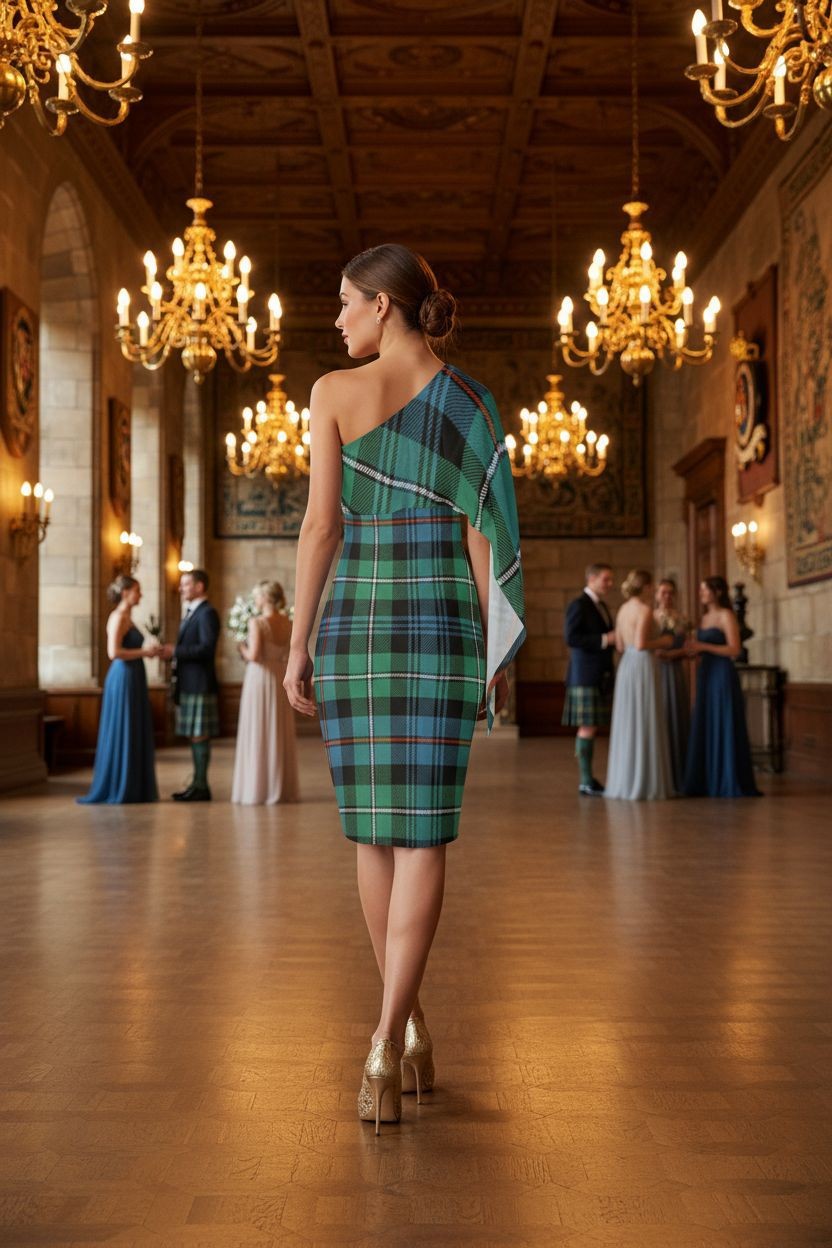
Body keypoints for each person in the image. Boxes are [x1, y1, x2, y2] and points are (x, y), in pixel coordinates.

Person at [283, 243, 525, 1134]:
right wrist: (495, 649)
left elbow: (319, 529)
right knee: (422, 834)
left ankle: (394, 1028)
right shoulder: (472, 402)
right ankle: (396, 1032)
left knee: (375, 835)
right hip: (442, 625)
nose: (337, 319)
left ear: (385, 306)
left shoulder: (330, 395)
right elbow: (483, 539)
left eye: (347, 302)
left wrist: (299, 643)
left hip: (357, 625)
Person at [78, 576, 160, 804]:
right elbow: (113, 652)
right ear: (125, 592)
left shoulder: (129, 618)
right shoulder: (117, 617)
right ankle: (120, 785)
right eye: (137, 590)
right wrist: (146, 653)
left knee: (133, 726)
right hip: (123, 675)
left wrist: (149, 651)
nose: (140, 595)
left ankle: (135, 785)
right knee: (124, 726)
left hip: (134, 674)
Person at [683, 576, 761, 798]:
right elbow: (702, 646)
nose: (701, 594)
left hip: (722, 674)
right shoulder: (704, 617)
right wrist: (693, 650)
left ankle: (727, 779)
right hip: (705, 672)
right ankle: (707, 779)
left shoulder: (726, 615)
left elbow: (735, 649)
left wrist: (703, 646)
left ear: (716, 592)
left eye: (704, 590)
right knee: (707, 720)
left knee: (723, 720)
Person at [604, 569, 673, 801]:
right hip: (642, 664)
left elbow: (621, 646)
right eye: (652, 586)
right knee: (645, 718)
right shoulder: (644, 610)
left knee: (629, 720)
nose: (653, 590)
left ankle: (625, 780)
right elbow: (643, 644)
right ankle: (645, 782)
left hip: (627, 666)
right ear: (645, 587)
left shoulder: (623, 609)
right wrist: (665, 640)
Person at [231, 580, 299, 805]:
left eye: (257, 596)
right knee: (277, 728)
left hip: (259, 678)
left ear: (266, 598)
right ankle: (280, 786)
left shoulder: (257, 622)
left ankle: (258, 787)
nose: (255, 600)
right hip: (279, 675)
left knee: (258, 728)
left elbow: (255, 655)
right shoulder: (289, 622)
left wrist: (240, 646)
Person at [161, 569, 220, 802]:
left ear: (199, 586)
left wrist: (175, 651)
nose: (181, 588)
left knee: (199, 735)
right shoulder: (192, 612)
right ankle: (197, 783)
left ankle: (201, 786)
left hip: (199, 683)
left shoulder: (207, 613)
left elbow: (207, 649)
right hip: (189, 683)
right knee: (195, 735)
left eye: (185, 584)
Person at [563, 562, 616, 795]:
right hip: (584, 675)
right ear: (592, 578)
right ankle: (586, 780)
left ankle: (588, 780)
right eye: (606, 579)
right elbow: (571, 638)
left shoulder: (600, 605)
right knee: (587, 727)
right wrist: (606, 639)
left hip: (597, 674)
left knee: (590, 727)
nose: (610, 584)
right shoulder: (580, 605)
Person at [654, 577, 691, 794]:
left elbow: (688, 647)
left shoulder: (682, 619)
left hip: (675, 671)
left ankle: (680, 773)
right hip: (656, 671)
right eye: (663, 592)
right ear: (657, 595)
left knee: (677, 714)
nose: (666, 596)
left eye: (670, 592)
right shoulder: (651, 617)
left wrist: (671, 654)